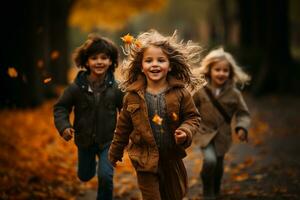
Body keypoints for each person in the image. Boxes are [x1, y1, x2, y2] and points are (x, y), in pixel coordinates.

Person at [108, 29, 204, 200]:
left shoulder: (180, 92)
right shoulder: (132, 96)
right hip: (144, 159)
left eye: (161, 60)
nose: (155, 64)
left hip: (171, 156)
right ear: (141, 67)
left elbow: (193, 117)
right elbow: (122, 127)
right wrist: (115, 153)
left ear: (170, 65)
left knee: (176, 195)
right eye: (149, 60)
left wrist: (186, 131)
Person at [53, 33, 123, 200]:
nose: (99, 62)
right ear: (86, 62)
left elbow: (127, 111)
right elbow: (61, 107)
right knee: (84, 176)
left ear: (111, 61)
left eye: (104, 58)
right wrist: (64, 127)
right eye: (94, 58)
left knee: (106, 176)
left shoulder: (117, 89)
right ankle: (91, 166)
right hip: (84, 141)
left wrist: (129, 132)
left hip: (109, 141)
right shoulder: (76, 88)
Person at [192, 47, 251, 200]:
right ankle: (207, 190)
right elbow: (190, 107)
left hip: (223, 135)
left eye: (225, 70)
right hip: (204, 132)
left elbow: (243, 113)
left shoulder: (234, 94)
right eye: (217, 69)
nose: (221, 73)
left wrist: (241, 127)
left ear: (230, 73)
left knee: (218, 165)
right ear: (209, 70)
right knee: (210, 160)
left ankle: (216, 188)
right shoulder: (201, 90)